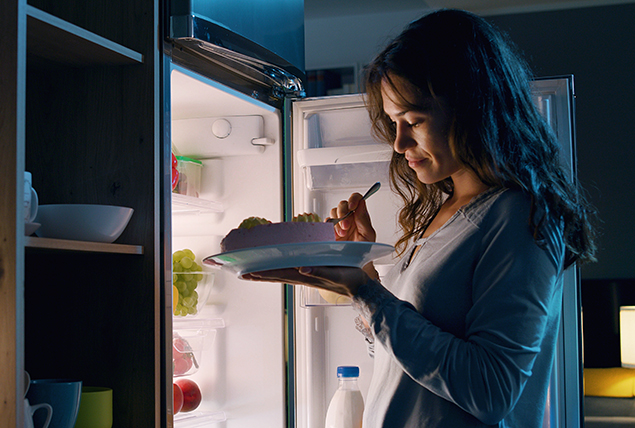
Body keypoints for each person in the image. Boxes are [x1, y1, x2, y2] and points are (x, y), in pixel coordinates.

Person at [244, 8, 596, 428]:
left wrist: (365, 293)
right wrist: (364, 272)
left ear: (472, 108)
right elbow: (405, 366)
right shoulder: (443, 214)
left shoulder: (518, 216)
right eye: (394, 122)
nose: (398, 142)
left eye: (413, 121)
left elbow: (491, 391)